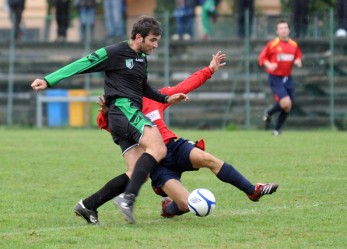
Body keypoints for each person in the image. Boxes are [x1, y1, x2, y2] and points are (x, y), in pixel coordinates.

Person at [73, 51, 278, 224]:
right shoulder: (121, 110)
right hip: (156, 164)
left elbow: (185, 85)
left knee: (209, 160)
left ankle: (252, 190)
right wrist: (106, 113)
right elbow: (109, 128)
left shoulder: (155, 98)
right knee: (186, 205)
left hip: (174, 147)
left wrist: (210, 70)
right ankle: (169, 207)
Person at [31, 15, 188, 224]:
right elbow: (82, 64)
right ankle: (128, 198)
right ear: (139, 37)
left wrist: (166, 98)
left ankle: (88, 206)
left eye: (157, 40)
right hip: (124, 110)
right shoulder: (114, 52)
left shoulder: (142, 58)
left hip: (122, 117)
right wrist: (49, 80)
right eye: (152, 40)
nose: (156, 45)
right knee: (158, 149)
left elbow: (143, 88)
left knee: (137, 172)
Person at [259, 20, 303, 136]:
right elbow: (262, 58)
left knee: (288, 106)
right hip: (275, 78)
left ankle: (276, 129)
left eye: (285, 28)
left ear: (289, 30)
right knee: (286, 102)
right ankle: (269, 114)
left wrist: (298, 60)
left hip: (288, 78)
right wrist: (269, 65)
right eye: (281, 28)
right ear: (277, 31)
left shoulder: (293, 45)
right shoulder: (272, 44)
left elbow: (298, 56)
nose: (283, 30)